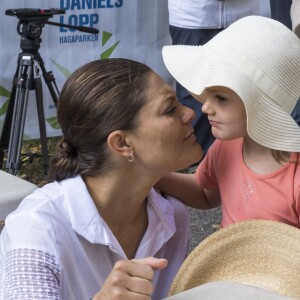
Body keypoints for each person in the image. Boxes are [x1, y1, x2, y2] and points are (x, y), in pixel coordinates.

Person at [0, 58, 202, 299]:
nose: (190, 113)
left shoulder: (173, 217)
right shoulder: (38, 227)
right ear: (122, 143)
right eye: (170, 109)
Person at [157, 16, 300, 229]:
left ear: (260, 107)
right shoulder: (226, 146)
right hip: (231, 262)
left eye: (220, 98)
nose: (205, 107)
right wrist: (153, 176)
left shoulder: (295, 176)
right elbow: (205, 192)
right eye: (208, 95)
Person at [167, 0, 271, 155]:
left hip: (244, 17)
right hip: (192, 17)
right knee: (195, 98)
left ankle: (237, 164)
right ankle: (196, 166)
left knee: (242, 95)